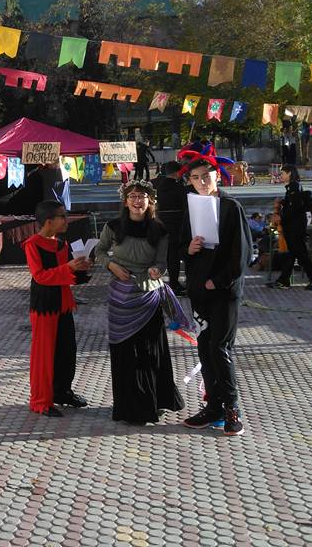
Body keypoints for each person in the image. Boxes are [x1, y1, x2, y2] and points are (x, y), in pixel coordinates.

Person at [96, 181, 192, 424]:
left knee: (149, 352)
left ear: (151, 202)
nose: (138, 201)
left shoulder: (159, 230)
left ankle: (152, 401)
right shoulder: (113, 226)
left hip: (148, 298)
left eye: (143, 197)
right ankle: (128, 405)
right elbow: (99, 252)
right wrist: (111, 265)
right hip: (120, 296)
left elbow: (162, 262)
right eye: (133, 196)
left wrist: (156, 270)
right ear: (126, 201)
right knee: (125, 352)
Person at [181, 157, 252, 436]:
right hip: (200, 292)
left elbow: (242, 255)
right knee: (204, 349)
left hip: (224, 292)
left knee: (219, 349)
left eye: (206, 176)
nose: (201, 182)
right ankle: (213, 407)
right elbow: (179, 248)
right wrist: (189, 248)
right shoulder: (192, 208)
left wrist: (218, 281)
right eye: (196, 178)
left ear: (217, 177)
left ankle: (232, 409)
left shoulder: (231, 207)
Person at [23, 199, 92, 416]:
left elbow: (67, 276)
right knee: (44, 355)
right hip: (44, 305)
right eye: (63, 216)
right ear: (49, 221)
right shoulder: (32, 244)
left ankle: (62, 392)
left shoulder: (61, 245)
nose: (66, 220)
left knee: (66, 352)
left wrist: (81, 269)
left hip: (64, 303)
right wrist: (68, 268)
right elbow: (40, 276)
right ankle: (41, 401)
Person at [269, 164, 312, 290]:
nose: (281, 176)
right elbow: (292, 203)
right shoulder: (291, 188)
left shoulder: (294, 186)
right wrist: (283, 202)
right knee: (292, 254)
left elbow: (296, 207)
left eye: (283, 173)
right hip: (293, 227)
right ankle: (284, 281)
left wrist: (281, 217)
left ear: (289, 174)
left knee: (300, 254)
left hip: (296, 227)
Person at [152, 160, 188, 295]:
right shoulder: (180, 187)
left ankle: (161, 282)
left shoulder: (157, 185)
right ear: (178, 173)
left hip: (160, 223)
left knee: (164, 255)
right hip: (177, 224)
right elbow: (185, 206)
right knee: (174, 256)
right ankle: (174, 283)